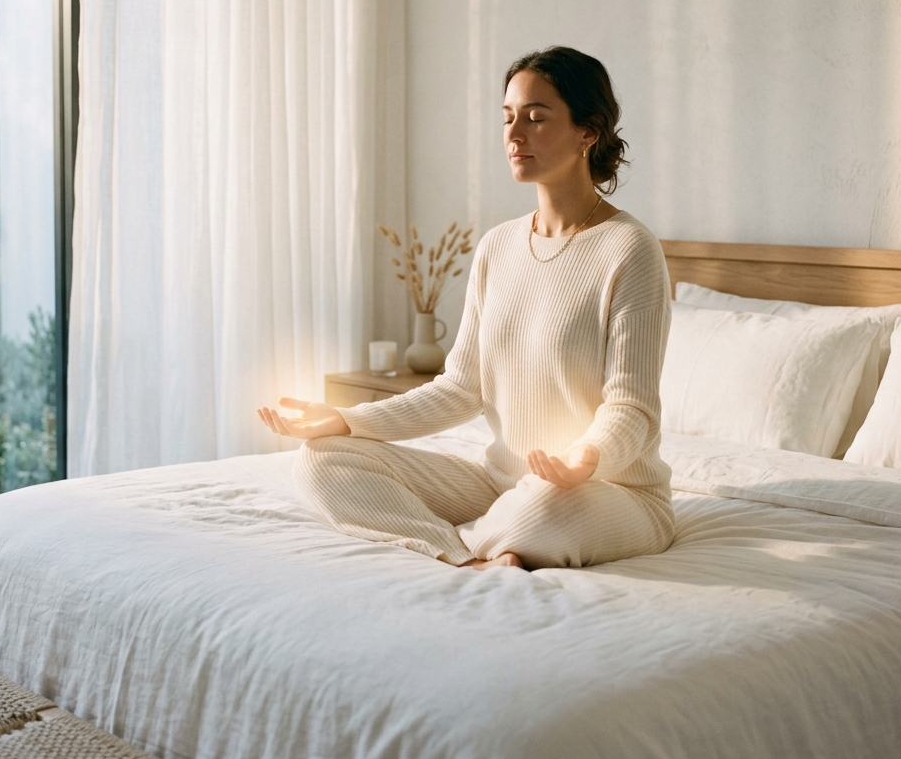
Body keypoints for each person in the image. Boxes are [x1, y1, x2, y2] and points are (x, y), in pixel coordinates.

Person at [258, 46, 675, 571]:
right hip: (501, 486)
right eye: (507, 117)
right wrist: (344, 420)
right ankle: (464, 556)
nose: (514, 134)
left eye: (536, 118)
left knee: (544, 507)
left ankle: (497, 535)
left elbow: (631, 407)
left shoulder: (630, 249)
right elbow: (460, 389)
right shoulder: (498, 246)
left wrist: (584, 459)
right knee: (320, 459)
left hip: (606, 491)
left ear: (588, 132)